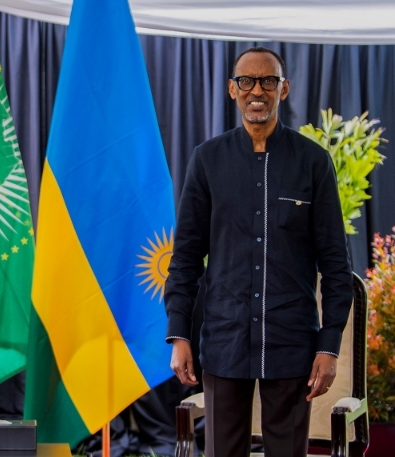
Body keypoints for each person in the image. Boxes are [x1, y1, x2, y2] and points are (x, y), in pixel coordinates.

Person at [163, 47, 353, 457]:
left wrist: (329, 343)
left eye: (269, 81)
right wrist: (179, 333)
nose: (257, 91)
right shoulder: (207, 160)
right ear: (233, 90)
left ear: (283, 90)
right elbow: (186, 258)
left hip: (291, 343)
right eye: (246, 81)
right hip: (224, 340)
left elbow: (336, 264)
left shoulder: (313, 163)